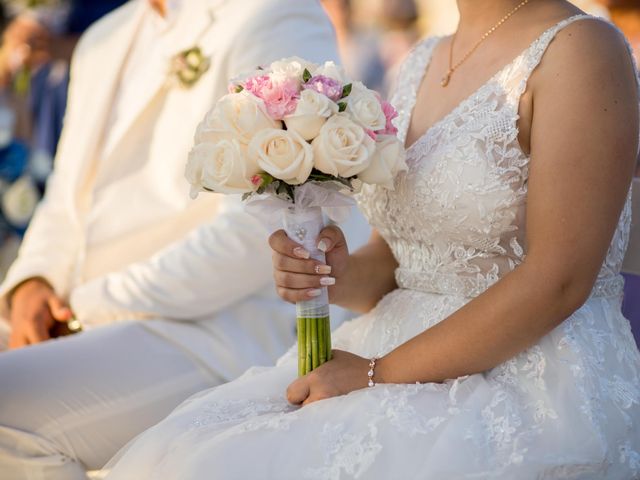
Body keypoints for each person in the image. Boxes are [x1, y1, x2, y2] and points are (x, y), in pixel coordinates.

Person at [103, 0, 640, 478]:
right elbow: (398, 260)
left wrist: (375, 374)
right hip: (384, 346)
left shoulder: (581, 48)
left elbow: (560, 280)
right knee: (186, 451)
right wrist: (329, 270)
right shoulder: (425, 57)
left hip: (527, 373)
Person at [0, 0, 367, 478]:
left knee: (9, 406)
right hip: (88, 311)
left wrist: (84, 309)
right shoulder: (103, 37)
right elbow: (67, 200)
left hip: (212, 329)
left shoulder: (271, 13)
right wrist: (33, 284)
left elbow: (260, 227)